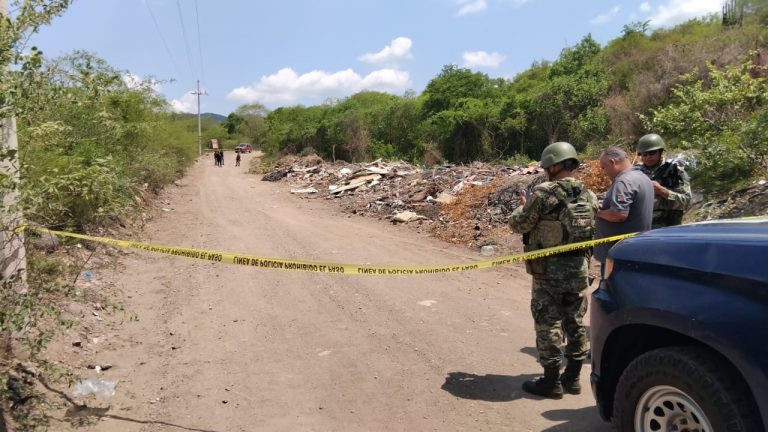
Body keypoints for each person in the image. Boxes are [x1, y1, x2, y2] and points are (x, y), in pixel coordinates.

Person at [509, 142, 598, 400]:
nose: (547, 171)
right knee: (575, 321)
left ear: (556, 165)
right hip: (579, 270)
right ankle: (572, 379)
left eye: (548, 167)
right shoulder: (588, 194)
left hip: (548, 271)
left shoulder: (545, 193)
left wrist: (523, 207)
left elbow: (519, 224)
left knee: (548, 322)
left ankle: (551, 382)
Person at [594, 146, 654, 274]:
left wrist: (596, 212)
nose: (604, 172)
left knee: (613, 289)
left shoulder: (623, 181)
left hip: (618, 254)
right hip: (634, 249)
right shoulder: (642, 177)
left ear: (612, 162)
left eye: (604, 167)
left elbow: (618, 214)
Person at [635, 133, 692, 228]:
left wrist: (662, 191)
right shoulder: (635, 173)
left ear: (660, 152)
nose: (648, 157)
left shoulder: (674, 171)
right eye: (644, 154)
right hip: (643, 228)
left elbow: (686, 202)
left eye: (652, 153)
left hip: (669, 228)